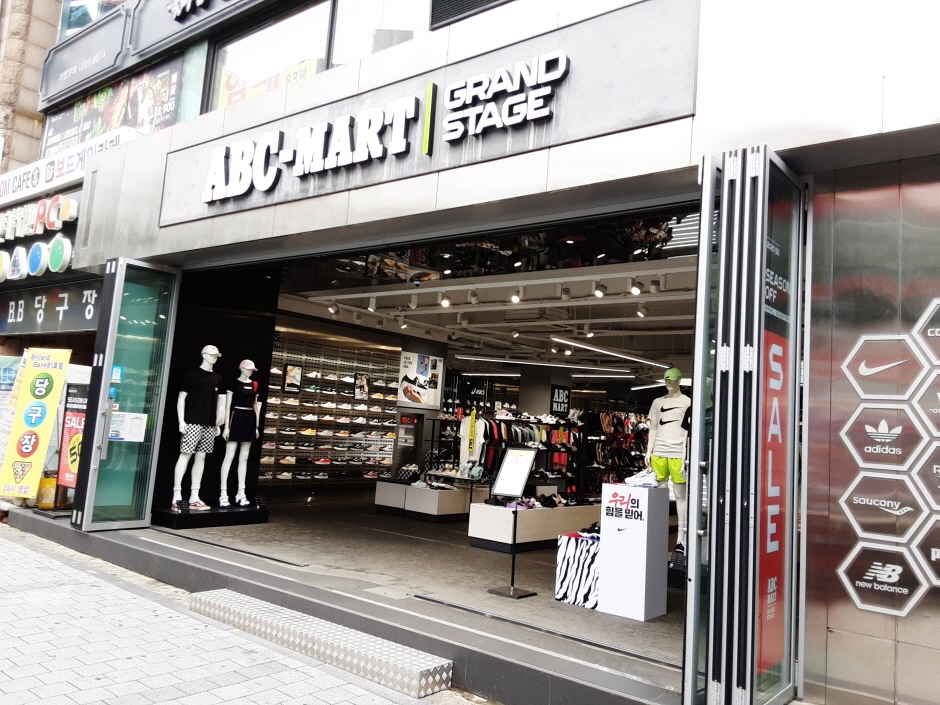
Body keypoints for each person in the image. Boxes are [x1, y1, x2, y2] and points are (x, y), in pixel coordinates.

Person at [171, 345, 224, 511]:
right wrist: (181, 420)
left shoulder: (217, 378)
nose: (214, 358)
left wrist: (218, 422)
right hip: (192, 421)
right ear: (204, 355)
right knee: (185, 455)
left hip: (209, 423)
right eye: (212, 355)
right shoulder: (192, 374)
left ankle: (194, 496)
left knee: (201, 457)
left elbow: (219, 402)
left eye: (216, 355)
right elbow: (181, 398)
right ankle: (176, 495)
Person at [645, 367, 691, 552]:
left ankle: (682, 536)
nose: (669, 383)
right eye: (666, 380)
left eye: (672, 379)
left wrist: (687, 454)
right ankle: (658, 531)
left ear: (679, 380)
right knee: (660, 495)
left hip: (679, 453)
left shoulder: (688, 402)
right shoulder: (657, 402)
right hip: (659, 452)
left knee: (681, 495)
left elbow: (689, 432)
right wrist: (648, 451)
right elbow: (653, 428)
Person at [219, 360, 260, 507]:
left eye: (252, 369)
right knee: (229, 456)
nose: (250, 371)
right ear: (241, 368)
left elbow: (255, 404)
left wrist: (256, 426)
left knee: (244, 458)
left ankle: (241, 493)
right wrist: (226, 427)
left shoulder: (255, 384)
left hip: (250, 418)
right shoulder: (234, 383)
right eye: (248, 369)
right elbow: (228, 406)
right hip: (236, 417)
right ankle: (223, 493)